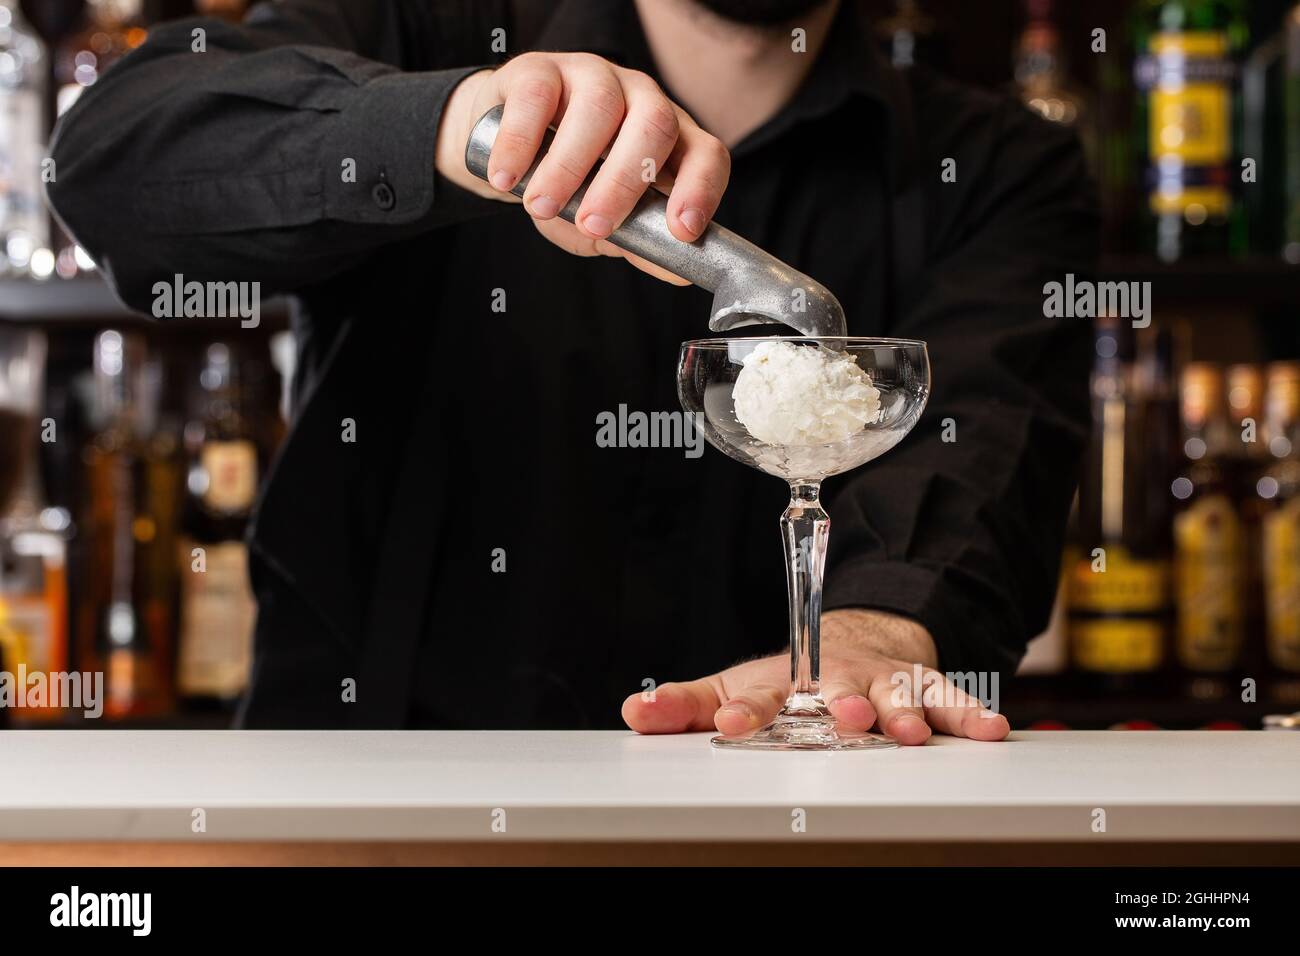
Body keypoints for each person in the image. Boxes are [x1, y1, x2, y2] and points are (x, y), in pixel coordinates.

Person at [47, 0, 1096, 741]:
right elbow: (112, 165)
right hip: (376, 827)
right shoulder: (426, 28)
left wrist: (869, 638)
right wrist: (453, 129)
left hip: (779, 833)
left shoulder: (999, 171)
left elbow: (986, 439)